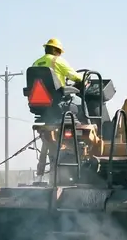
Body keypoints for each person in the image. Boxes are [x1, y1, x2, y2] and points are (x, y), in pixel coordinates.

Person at [30, 37, 85, 177]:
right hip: (58, 105)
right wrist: (85, 80)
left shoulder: (36, 63)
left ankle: (45, 173)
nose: (60, 54)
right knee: (80, 105)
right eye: (59, 52)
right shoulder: (57, 61)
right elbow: (75, 77)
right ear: (55, 50)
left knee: (49, 143)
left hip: (42, 109)